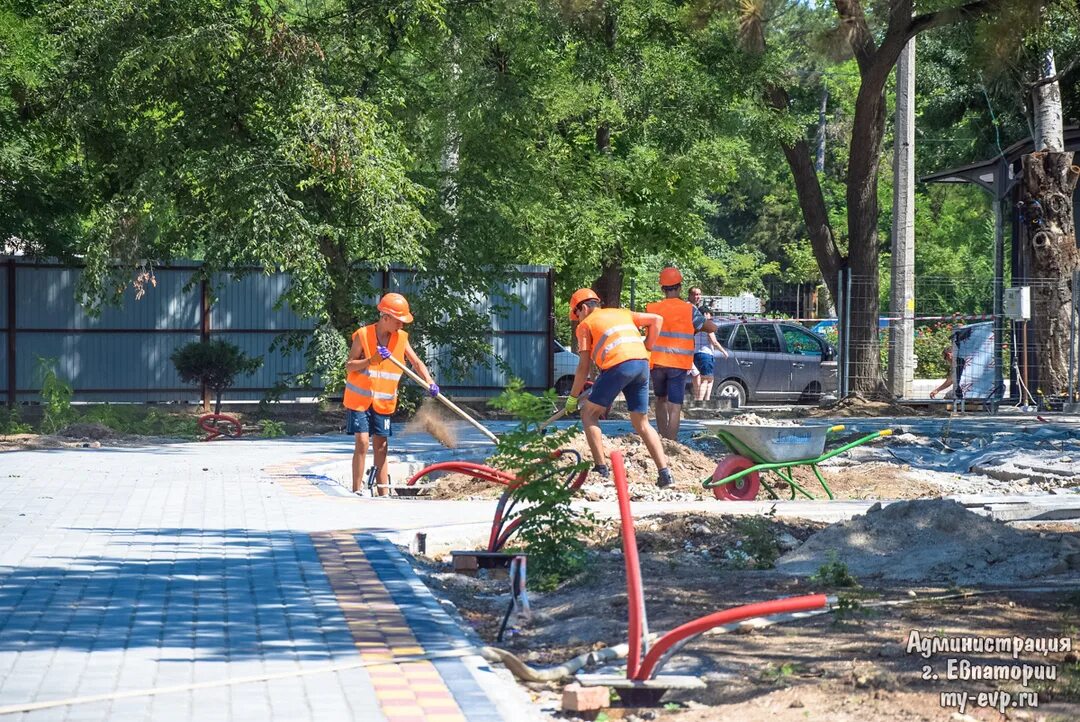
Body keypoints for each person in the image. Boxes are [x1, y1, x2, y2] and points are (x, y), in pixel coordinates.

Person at [564, 288, 674, 488]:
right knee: (641, 422)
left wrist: (573, 397)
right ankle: (665, 474)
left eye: (577, 314)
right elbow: (656, 320)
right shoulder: (622, 313)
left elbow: (583, 367)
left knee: (588, 413)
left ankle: (601, 469)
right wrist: (648, 347)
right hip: (641, 365)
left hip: (617, 366)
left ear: (585, 308)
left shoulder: (585, 325)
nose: (577, 319)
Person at [344, 293, 438, 496]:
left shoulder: (401, 339)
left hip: (383, 401)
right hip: (359, 400)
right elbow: (349, 366)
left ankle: (383, 492)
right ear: (385, 317)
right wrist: (372, 359)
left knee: (381, 445)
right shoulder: (363, 335)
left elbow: (416, 363)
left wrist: (429, 382)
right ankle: (356, 490)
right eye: (399, 321)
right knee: (362, 441)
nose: (401, 326)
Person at [645, 268, 721, 439]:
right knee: (675, 404)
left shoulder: (652, 308)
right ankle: (671, 441)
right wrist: (700, 325)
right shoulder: (689, 310)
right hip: (678, 364)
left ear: (662, 288)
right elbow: (711, 327)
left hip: (656, 362)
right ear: (679, 288)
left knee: (660, 400)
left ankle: (663, 437)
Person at [692, 310, 729, 401]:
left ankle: (706, 399)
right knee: (706, 379)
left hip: (695, 354)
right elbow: (714, 341)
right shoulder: (707, 325)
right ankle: (700, 401)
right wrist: (723, 351)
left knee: (706, 378)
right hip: (706, 354)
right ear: (704, 314)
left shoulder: (694, 325)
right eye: (709, 313)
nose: (710, 315)